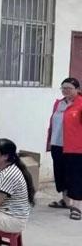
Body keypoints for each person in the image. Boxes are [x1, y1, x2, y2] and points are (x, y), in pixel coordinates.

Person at [46, 77, 82, 220]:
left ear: (77, 89)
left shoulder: (80, 104)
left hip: (75, 147)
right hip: (57, 144)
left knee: (75, 177)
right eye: (63, 88)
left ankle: (77, 207)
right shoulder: (59, 104)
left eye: (69, 88)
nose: (66, 90)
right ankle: (66, 201)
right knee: (60, 174)